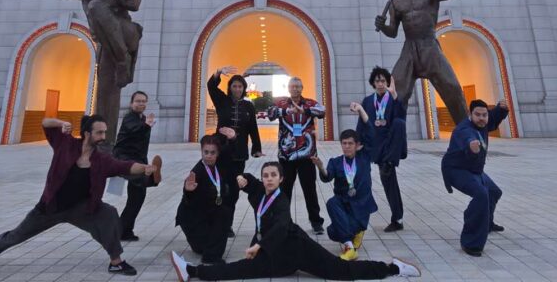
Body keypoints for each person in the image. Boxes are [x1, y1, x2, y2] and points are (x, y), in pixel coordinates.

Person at [0, 115, 160, 277]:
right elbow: (45, 123)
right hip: (50, 208)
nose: (103, 136)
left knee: (108, 214)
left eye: (104, 132)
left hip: (81, 208)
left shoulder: (102, 159)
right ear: (87, 133)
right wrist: (61, 122)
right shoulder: (65, 144)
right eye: (99, 132)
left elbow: (125, 166)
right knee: (16, 235)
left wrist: (145, 168)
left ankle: (116, 262)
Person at [169, 162, 421, 281]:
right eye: (265, 175)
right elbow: (251, 184)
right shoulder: (260, 192)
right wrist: (243, 178)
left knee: (341, 272)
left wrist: (259, 245)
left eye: (273, 176)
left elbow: (280, 225)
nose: (268, 179)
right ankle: (191, 271)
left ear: (280, 179)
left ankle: (393, 267)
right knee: (238, 269)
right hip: (276, 255)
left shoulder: (280, 200)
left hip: (297, 247)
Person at [42, 0, 143, 138]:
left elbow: (135, 3)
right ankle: (105, 141)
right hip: (105, 41)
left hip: (124, 31)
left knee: (95, 6)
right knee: (106, 88)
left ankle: (123, 60)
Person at [374, 0, 470, 126]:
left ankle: (467, 133)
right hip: (409, 49)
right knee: (393, 92)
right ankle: (388, 136)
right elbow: (393, 32)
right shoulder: (395, 2)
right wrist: (382, 26)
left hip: (429, 46)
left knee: (452, 88)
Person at [440, 99, 509, 257]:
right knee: (481, 195)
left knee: (493, 191)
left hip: (475, 170)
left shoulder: (484, 122)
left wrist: (501, 109)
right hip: (457, 170)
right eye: (477, 115)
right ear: (470, 115)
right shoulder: (463, 129)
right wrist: (471, 146)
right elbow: (467, 138)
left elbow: (493, 117)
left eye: (484, 115)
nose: (482, 118)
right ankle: (471, 243)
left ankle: (486, 223)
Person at [266, 76, 326, 234]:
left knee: (310, 189)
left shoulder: (310, 103)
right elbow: (270, 113)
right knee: (285, 190)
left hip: (307, 156)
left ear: (302, 88)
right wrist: (286, 111)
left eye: (298, 86)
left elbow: (322, 111)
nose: (295, 89)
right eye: (293, 86)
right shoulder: (281, 103)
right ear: (288, 88)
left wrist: (305, 111)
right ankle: (283, 221)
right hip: (286, 156)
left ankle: (316, 222)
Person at [208, 65, 262, 236]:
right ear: (230, 87)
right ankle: (215, 221)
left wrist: (257, 148)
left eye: (240, 86)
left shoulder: (248, 106)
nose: (237, 89)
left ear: (244, 88)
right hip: (221, 152)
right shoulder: (221, 100)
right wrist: (218, 73)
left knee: (233, 190)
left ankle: (227, 224)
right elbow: (211, 87)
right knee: (219, 188)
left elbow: (253, 128)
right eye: (234, 86)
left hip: (239, 154)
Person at [311, 123, 377, 261]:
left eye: (350, 143)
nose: (346, 146)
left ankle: (358, 232)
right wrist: (321, 167)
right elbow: (327, 177)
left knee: (337, 231)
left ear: (357, 145)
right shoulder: (335, 162)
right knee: (332, 228)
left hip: (361, 207)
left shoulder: (364, 158)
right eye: (344, 143)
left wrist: (360, 110)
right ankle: (350, 247)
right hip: (344, 204)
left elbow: (370, 132)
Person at [355, 66, 408, 232]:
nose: (380, 83)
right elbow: (362, 123)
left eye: (383, 80)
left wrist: (395, 97)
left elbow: (401, 119)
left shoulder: (393, 99)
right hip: (374, 145)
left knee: (388, 180)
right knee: (380, 181)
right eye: (377, 80)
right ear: (373, 83)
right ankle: (396, 218)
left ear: (387, 83)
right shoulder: (367, 101)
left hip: (390, 146)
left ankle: (397, 219)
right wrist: (357, 142)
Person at [175, 135, 236, 264]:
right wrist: (188, 191)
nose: (208, 156)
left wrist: (232, 139)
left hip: (207, 214)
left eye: (212, 152)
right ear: (201, 152)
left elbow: (228, 151)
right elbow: (189, 203)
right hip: (193, 219)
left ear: (217, 154)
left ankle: (208, 248)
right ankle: (211, 256)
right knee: (204, 246)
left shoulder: (219, 164)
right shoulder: (197, 172)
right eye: (205, 152)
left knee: (224, 212)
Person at [113, 90, 162, 242]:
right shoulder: (130, 118)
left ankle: (124, 231)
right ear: (131, 103)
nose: (141, 104)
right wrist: (147, 126)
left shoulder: (142, 118)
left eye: (143, 101)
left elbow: (141, 142)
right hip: (125, 160)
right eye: (138, 101)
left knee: (136, 199)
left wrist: (146, 124)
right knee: (140, 187)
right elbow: (135, 130)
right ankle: (152, 178)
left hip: (138, 159)